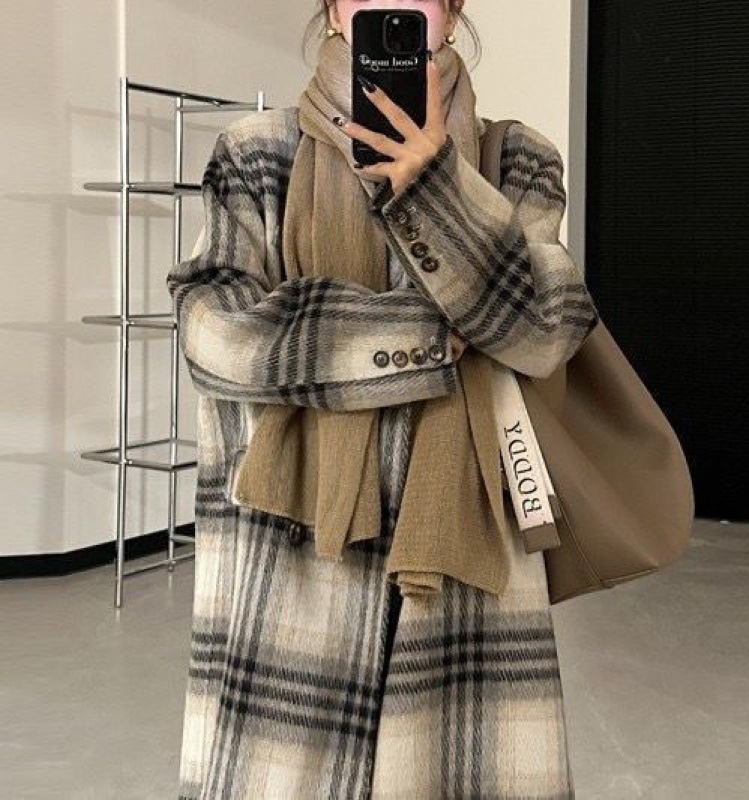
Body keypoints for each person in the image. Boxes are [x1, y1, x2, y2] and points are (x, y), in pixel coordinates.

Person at [167, 1, 598, 797]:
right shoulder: (258, 154)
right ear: (335, 11)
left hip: (466, 562)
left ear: (451, 13)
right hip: (296, 555)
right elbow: (214, 335)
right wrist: (429, 340)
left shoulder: (516, 160)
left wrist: (436, 183)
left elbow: (548, 329)